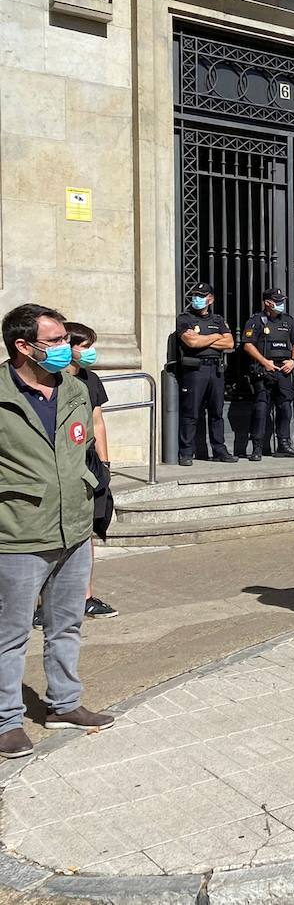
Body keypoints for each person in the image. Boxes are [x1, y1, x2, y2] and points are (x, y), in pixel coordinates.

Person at [0, 304, 114, 759]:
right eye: (55, 340)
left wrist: (97, 480)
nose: (65, 348)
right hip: (19, 533)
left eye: (66, 339)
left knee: (66, 624)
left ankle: (63, 703)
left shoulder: (74, 388)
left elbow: (82, 444)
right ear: (23, 346)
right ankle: (6, 720)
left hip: (74, 529)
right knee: (9, 634)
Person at [63, 324, 118, 620]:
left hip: (89, 462)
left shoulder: (91, 379)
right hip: (61, 464)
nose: (89, 352)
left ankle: (85, 596)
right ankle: (44, 604)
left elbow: (97, 421)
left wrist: (105, 464)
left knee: (88, 531)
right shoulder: (53, 380)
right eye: (84, 345)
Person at [175, 282, 236, 466]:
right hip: (195, 370)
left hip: (216, 370)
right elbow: (191, 343)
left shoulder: (218, 319)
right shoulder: (185, 318)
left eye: (201, 295)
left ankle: (219, 450)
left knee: (217, 412)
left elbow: (230, 343)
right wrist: (217, 337)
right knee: (190, 412)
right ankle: (186, 452)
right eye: (194, 295)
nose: (197, 299)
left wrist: (204, 340)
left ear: (210, 299)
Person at [241, 288, 294, 461]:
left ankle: (284, 444)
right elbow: (247, 345)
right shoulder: (256, 321)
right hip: (264, 370)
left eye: (282, 300)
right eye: (277, 300)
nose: (281, 303)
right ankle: (257, 447)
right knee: (261, 408)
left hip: (284, 370)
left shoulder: (288, 321)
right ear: (267, 303)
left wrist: (293, 360)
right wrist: (264, 362)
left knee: (285, 407)